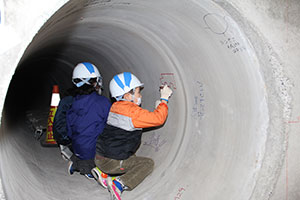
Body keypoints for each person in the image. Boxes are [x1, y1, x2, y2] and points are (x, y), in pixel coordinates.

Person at [92, 72, 173, 200]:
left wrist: (157, 109)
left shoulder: (114, 107)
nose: (140, 95)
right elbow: (158, 119)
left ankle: (103, 173)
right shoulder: (133, 113)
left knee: (130, 155)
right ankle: (119, 183)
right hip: (113, 162)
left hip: (99, 157)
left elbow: (134, 119)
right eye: (138, 92)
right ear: (127, 95)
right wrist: (164, 100)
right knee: (147, 164)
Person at [66, 62, 111, 179]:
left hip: (77, 147)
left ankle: (76, 161)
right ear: (94, 82)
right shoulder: (103, 102)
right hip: (92, 151)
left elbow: (69, 130)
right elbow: (111, 126)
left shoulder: (73, 103)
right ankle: (88, 168)